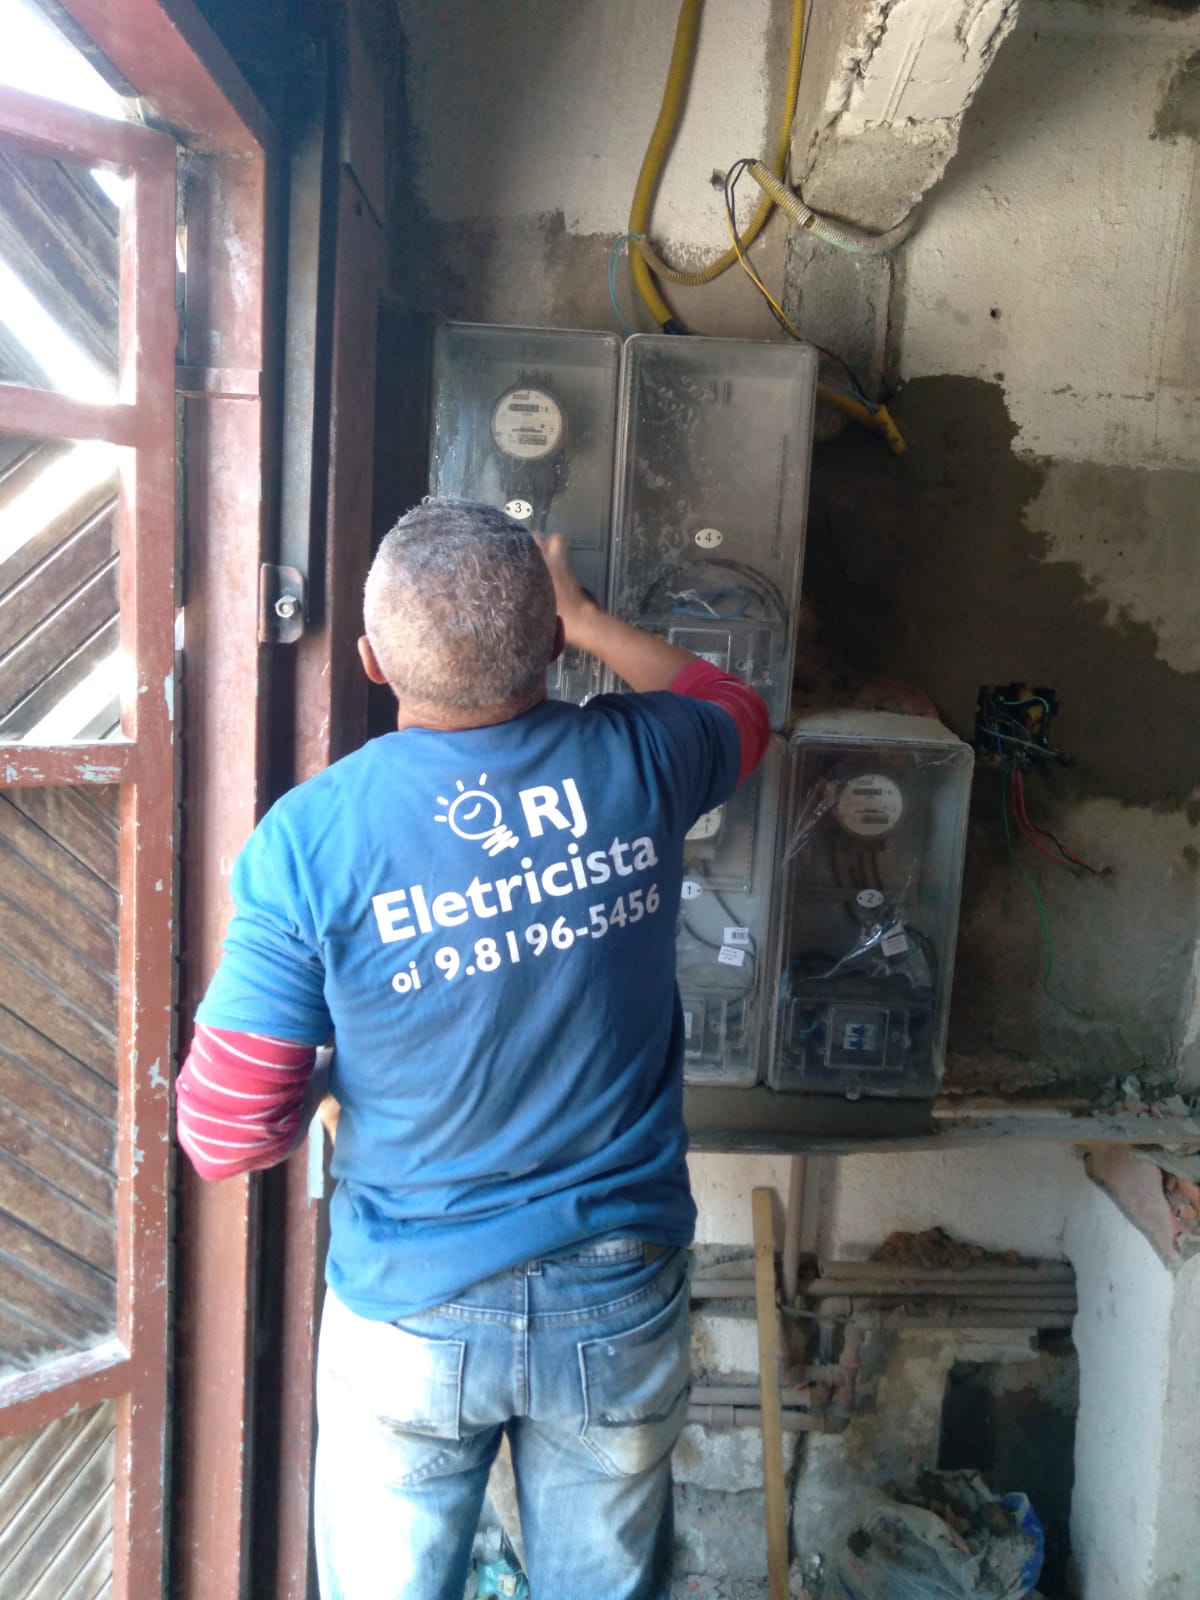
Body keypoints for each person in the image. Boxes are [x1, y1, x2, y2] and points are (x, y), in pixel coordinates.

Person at [177, 498, 769, 1600]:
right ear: (549, 648)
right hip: (618, 1290)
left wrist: (342, 1072)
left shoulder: (311, 839)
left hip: (412, 1306)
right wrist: (587, 618)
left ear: (370, 661)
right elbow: (735, 705)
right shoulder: (643, 756)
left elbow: (224, 1132)